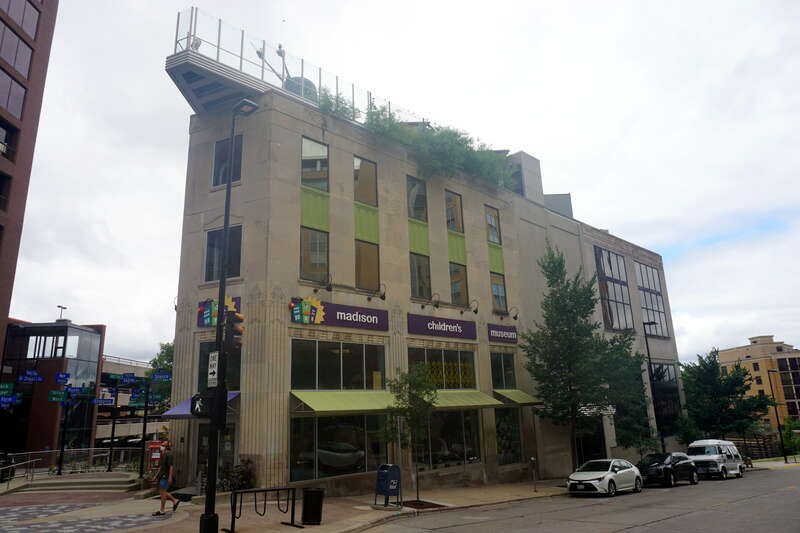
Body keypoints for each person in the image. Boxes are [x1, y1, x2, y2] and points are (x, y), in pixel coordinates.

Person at [153, 441, 180, 516]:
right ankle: (175, 501)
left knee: (163, 493)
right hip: (162, 475)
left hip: (165, 476)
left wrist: (170, 477)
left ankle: (162, 510)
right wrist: (156, 475)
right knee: (162, 492)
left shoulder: (169, 455)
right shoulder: (163, 454)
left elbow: (171, 466)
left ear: (166, 447)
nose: (161, 447)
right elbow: (161, 467)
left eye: (162, 446)